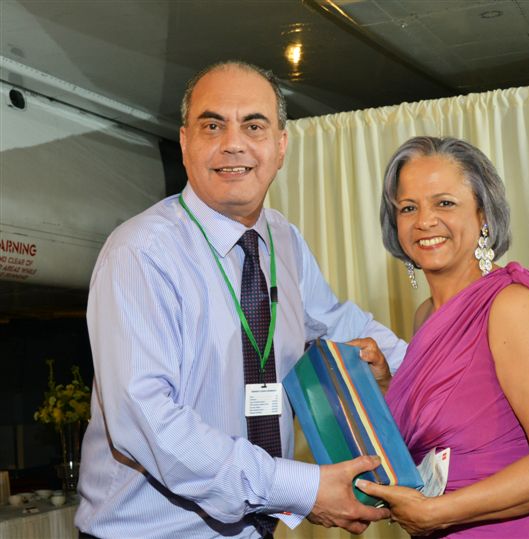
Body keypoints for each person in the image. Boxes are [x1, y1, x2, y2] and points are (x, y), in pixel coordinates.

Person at [75, 60, 406, 538]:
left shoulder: (284, 240)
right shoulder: (140, 252)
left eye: (254, 125)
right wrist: (301, 487)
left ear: (280, 146)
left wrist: (448, 379)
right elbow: (147, 421)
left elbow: (340, 324)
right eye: (213, 126)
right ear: (185, 143)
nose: (234, 143)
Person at [355, 136, 529, 537]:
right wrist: (387, 385)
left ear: (483, 214)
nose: (424, 221)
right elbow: (455, 425)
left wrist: (437, 512)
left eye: (445, 203)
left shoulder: (510, 306)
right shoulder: (426, 315)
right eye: (408, 207)